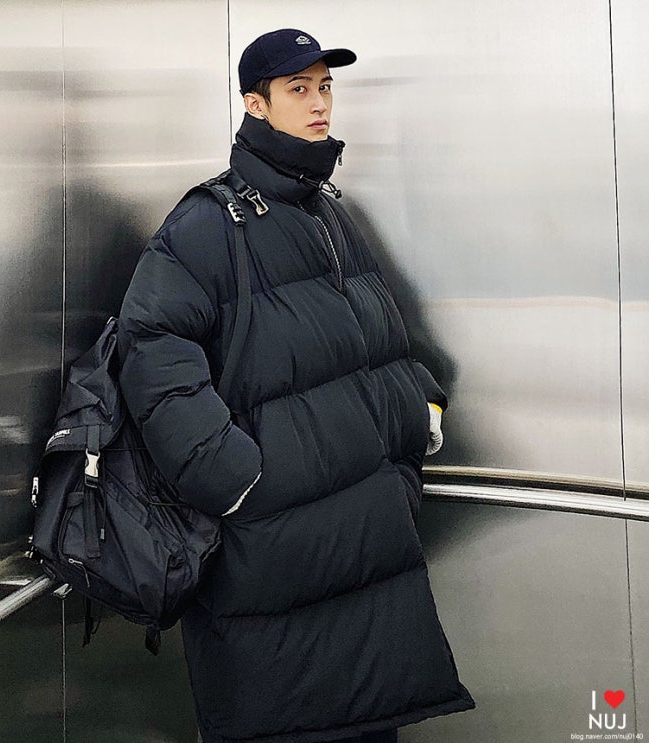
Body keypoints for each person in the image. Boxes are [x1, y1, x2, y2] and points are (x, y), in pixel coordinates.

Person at [118, 27, 475, 743]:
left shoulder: (331, 213)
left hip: (370, 554)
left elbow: (389, 340)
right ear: (255, 104)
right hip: (271, 565)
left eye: (325, 87)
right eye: (298, 89)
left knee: (372, 720)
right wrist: (236, 481)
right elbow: (150, 347)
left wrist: (419, 413)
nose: (319, 104)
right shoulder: (207, 222)